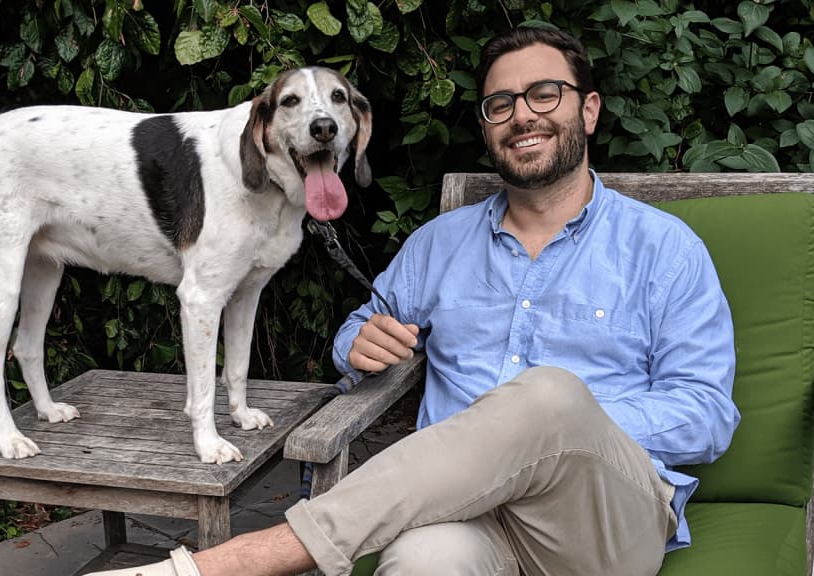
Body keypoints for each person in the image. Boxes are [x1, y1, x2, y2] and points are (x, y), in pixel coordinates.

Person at [88, 25, 740, 576]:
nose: (523, 114)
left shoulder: (663, 250)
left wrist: (553, 428)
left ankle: (226, 565)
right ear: (487, 127)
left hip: (598, 520)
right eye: (501, 103)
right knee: (422, 560)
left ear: (588, 110)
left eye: (545, 93)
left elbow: (708, 415)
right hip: (465, 512)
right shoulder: (441, 244)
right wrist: (358, 344)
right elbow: (361, 332)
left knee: (548, 397)